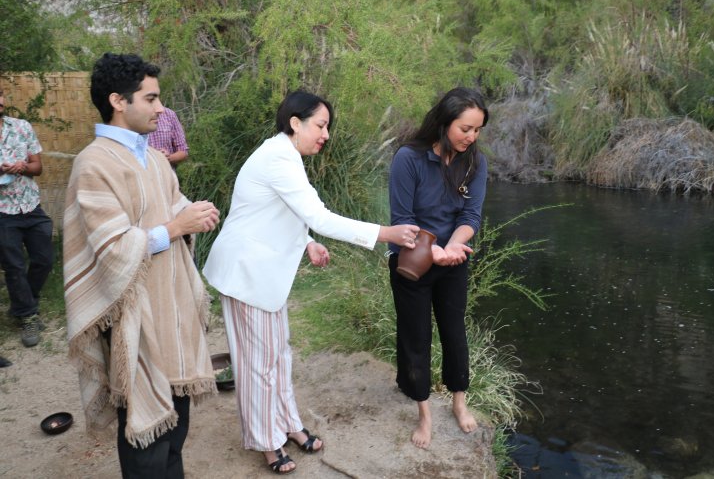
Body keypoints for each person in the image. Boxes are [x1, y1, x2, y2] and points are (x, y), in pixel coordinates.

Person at [202, 90, 420, 474]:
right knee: (258, 364)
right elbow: (319, 215)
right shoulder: (278, 158)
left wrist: (307, 242)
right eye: (321, 125)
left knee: (277, 357)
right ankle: (267, 442)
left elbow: (277, 211)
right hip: (247, 275)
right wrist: (387, 233)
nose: (326, 134)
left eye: (327, 127)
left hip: (263, 276)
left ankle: (287, 424)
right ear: (295, 123)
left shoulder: (284, 155)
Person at [63, 53, 221, 479]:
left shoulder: (153, 158)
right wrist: (174, 227)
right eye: (151, 99)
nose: (160, 109)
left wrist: (194, 213)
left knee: (176, 425)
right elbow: (111, 247)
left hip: (171, 310)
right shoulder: (93, 163)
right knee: (146, 436)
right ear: (118, 100)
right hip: (134, 318)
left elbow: (169, 207)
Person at [387, 87, 489, 449]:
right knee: (416, 336)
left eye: (477, 130)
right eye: (465, 129)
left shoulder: (475, 162)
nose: (471, 137)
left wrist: (453, 246)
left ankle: (459, 402)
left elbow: (470, 215)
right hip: (412, 259)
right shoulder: (408, 159)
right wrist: (434, 252)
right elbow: (402, 220)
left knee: (454, 331)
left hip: (453, 259)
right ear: (444, 122)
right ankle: (424, 413)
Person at [0, 85, 54, 348]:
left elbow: (38, 167)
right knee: (14, 267)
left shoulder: (21, 127)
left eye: (0, 95)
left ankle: (25, 303)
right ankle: (28, 316)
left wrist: (23, 167)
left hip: (30, 206)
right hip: (2, 211)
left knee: (44, 259)